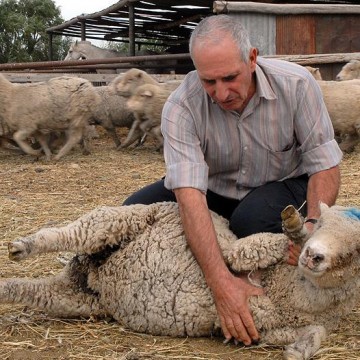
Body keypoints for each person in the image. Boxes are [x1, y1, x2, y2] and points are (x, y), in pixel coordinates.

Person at [123, 15, 342, 345]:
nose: (221, 93)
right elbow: (189, 193)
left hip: (283, 182)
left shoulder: (297, 85)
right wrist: (220, 283)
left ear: (252, 58)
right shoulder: (180, 106)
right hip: (215, 187)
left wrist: (312, 225)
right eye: (209, 81)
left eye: (230, 77)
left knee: (249, 222)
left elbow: (324, 165)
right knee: (130, 216)